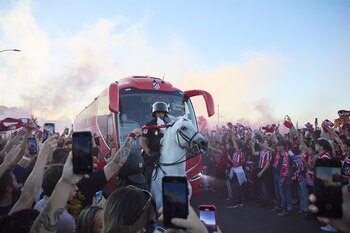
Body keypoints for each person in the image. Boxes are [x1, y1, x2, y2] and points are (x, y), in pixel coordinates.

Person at [140, 101, 170, 189]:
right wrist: (149, 153)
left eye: (162, 112)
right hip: (152, 157)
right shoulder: (149, 125)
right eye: (158, 112)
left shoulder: (169, 125)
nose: (160, 114)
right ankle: (145, 193)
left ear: (165, 113)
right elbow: (142, 141)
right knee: (147, 178)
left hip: (167, 156)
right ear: (154, 113)